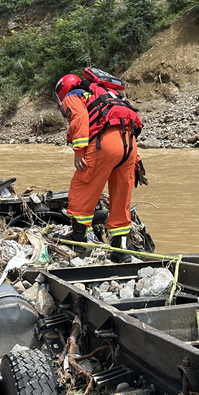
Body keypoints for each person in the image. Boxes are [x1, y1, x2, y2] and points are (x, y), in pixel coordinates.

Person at [54, 73, 145, 263]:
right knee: (121, 197)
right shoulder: (109, 93)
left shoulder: (74, 95)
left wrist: (78, 151)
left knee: (82, 186)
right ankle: (121, 250)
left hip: (105, 144)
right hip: (130, 145)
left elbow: (79, 118)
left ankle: (78, 241)